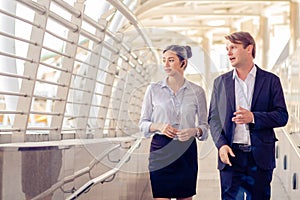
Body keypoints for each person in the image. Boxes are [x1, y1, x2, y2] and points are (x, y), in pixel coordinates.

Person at [208, 31, 289, 200]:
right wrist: (221, 145)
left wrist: (253, 117)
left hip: (259, 158)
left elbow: (282, 116)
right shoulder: (220, 83)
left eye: (233, 47)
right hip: (231, 156)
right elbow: (213, 119)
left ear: (249, 48)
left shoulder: (271, 81)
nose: (228, 52)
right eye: (227, 48)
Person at [139, 45, 209, 200]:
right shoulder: (153, 89)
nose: (166, 64)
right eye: (164, 60)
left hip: (186, 151)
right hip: (160, 149)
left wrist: (194, 131)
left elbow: (205, 126)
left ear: (183, 63)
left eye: (171, 60)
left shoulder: (197, 92)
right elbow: (143, 123)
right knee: (161, 196)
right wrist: (159, 126)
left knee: (185, 198)